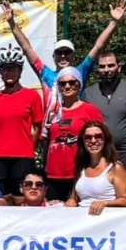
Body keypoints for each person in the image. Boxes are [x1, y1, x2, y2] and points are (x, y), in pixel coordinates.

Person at [7, 0, 125, 129]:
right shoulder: (45, 74)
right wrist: (12, 23)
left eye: (67, 52)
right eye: (59, 53)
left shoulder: (80, 72)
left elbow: (98, 46)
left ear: (74, 56)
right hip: (51, 130)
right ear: (53, 57)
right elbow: (27, 48)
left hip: (77, 129)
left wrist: (114, 22)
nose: (63, 56)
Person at [0, 46, 44, 197]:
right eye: (5, 69)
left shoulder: (32, 96)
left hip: (23, 156)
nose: (9, 73)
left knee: (21, 198)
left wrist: (29, 147)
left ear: (20, 71)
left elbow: (37, 127)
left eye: (13, 69)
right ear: (0, 71)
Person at [84, 51, 126, 180]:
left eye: (110, 65)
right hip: (99, 153)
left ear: (119, 67)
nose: (106, 70)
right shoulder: (88, 93)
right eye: (102, 66)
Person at [44, 67, 104, 201]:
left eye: (72, 82)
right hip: (53, 173)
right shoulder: (52, 111)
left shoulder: (90, 110)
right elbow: (46, 140)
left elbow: (102, 140)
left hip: (80, 172)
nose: (67, 86)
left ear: (79, 85)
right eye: (62, 83)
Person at [66, 121, 126, 214]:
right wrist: (57, 206)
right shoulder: (81, 167)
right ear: (83, 141)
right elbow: (74, 199)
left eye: (98, 136)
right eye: (88, 137)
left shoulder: (115, 167)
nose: (93, 141)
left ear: (105, 140)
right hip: (81, 217)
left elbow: (125, 200)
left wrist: (105, 203)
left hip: (105, 218)